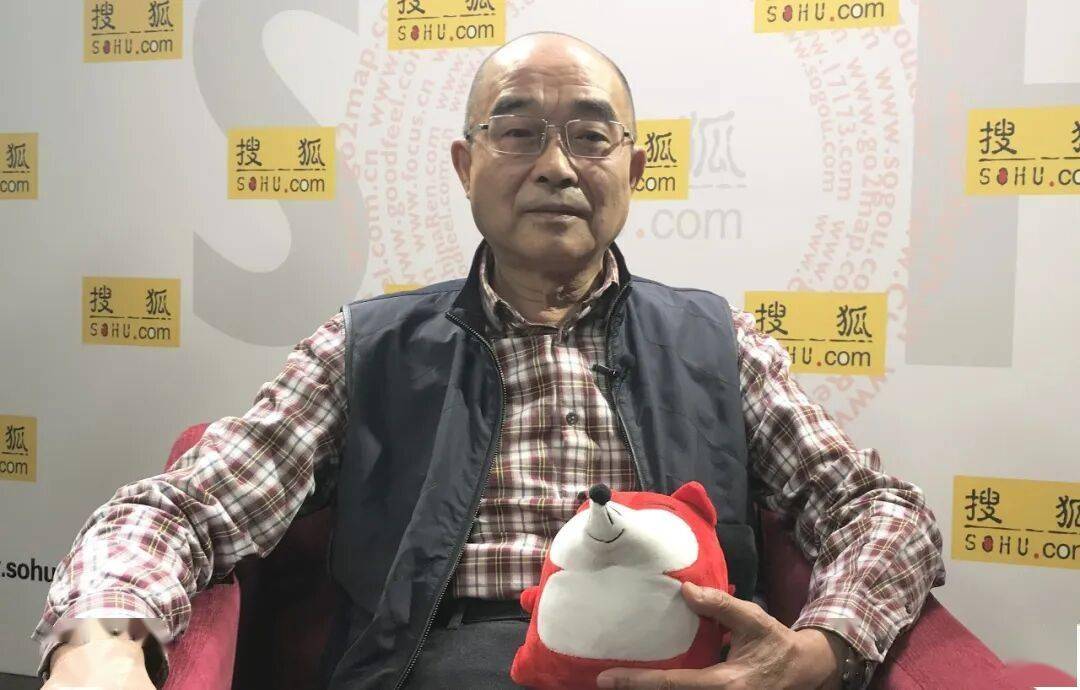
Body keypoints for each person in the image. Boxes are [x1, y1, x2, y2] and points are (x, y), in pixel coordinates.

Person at [35, 32, 945, 690]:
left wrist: (819, 650)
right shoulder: (368, 347)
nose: (556, 166)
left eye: (590, 135)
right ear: (466, 165)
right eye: (518, 133)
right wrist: (102, 635)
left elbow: (880, 510)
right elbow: (181, 508)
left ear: (634, 170)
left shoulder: (716, 342)